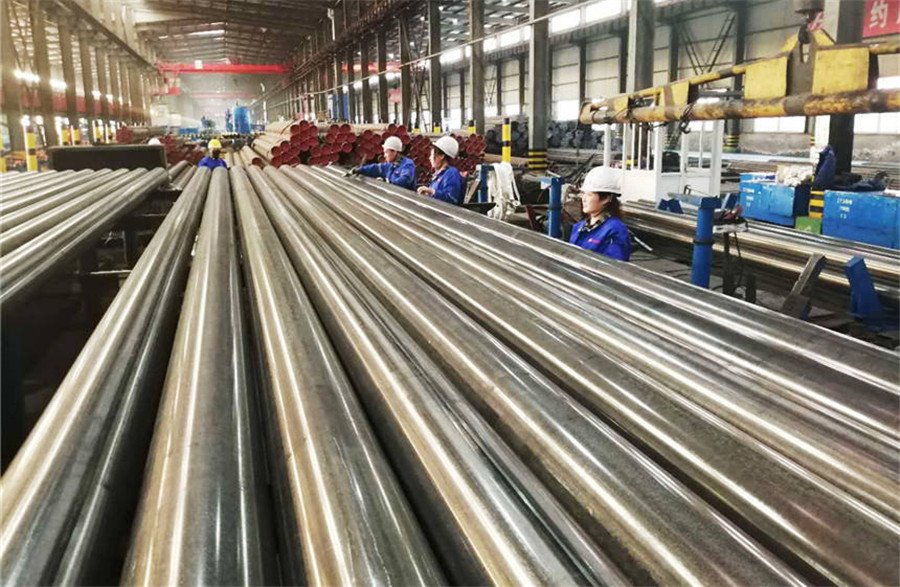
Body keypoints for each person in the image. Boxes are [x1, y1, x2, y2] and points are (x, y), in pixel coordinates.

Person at [569, 166, 631, 261]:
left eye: (589, 195)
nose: (583, 199)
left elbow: (613, 266)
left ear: (606, 198)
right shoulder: (579, 227)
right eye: (583, 193)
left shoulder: (615, 230)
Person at [350, 136, 416, 190]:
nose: (384, 155)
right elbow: (375, 168)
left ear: (394, 151)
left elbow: (405, 180)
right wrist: (360, 170)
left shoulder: (407, 164)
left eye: (386, 152)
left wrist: (389, 182)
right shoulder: (390, 165)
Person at [417, 135, 464, 205]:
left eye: (432, 155)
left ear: (441, 156)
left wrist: (432, 192)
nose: (430, 158)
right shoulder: (440, 174)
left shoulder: (451, 173)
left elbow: (451, 198)